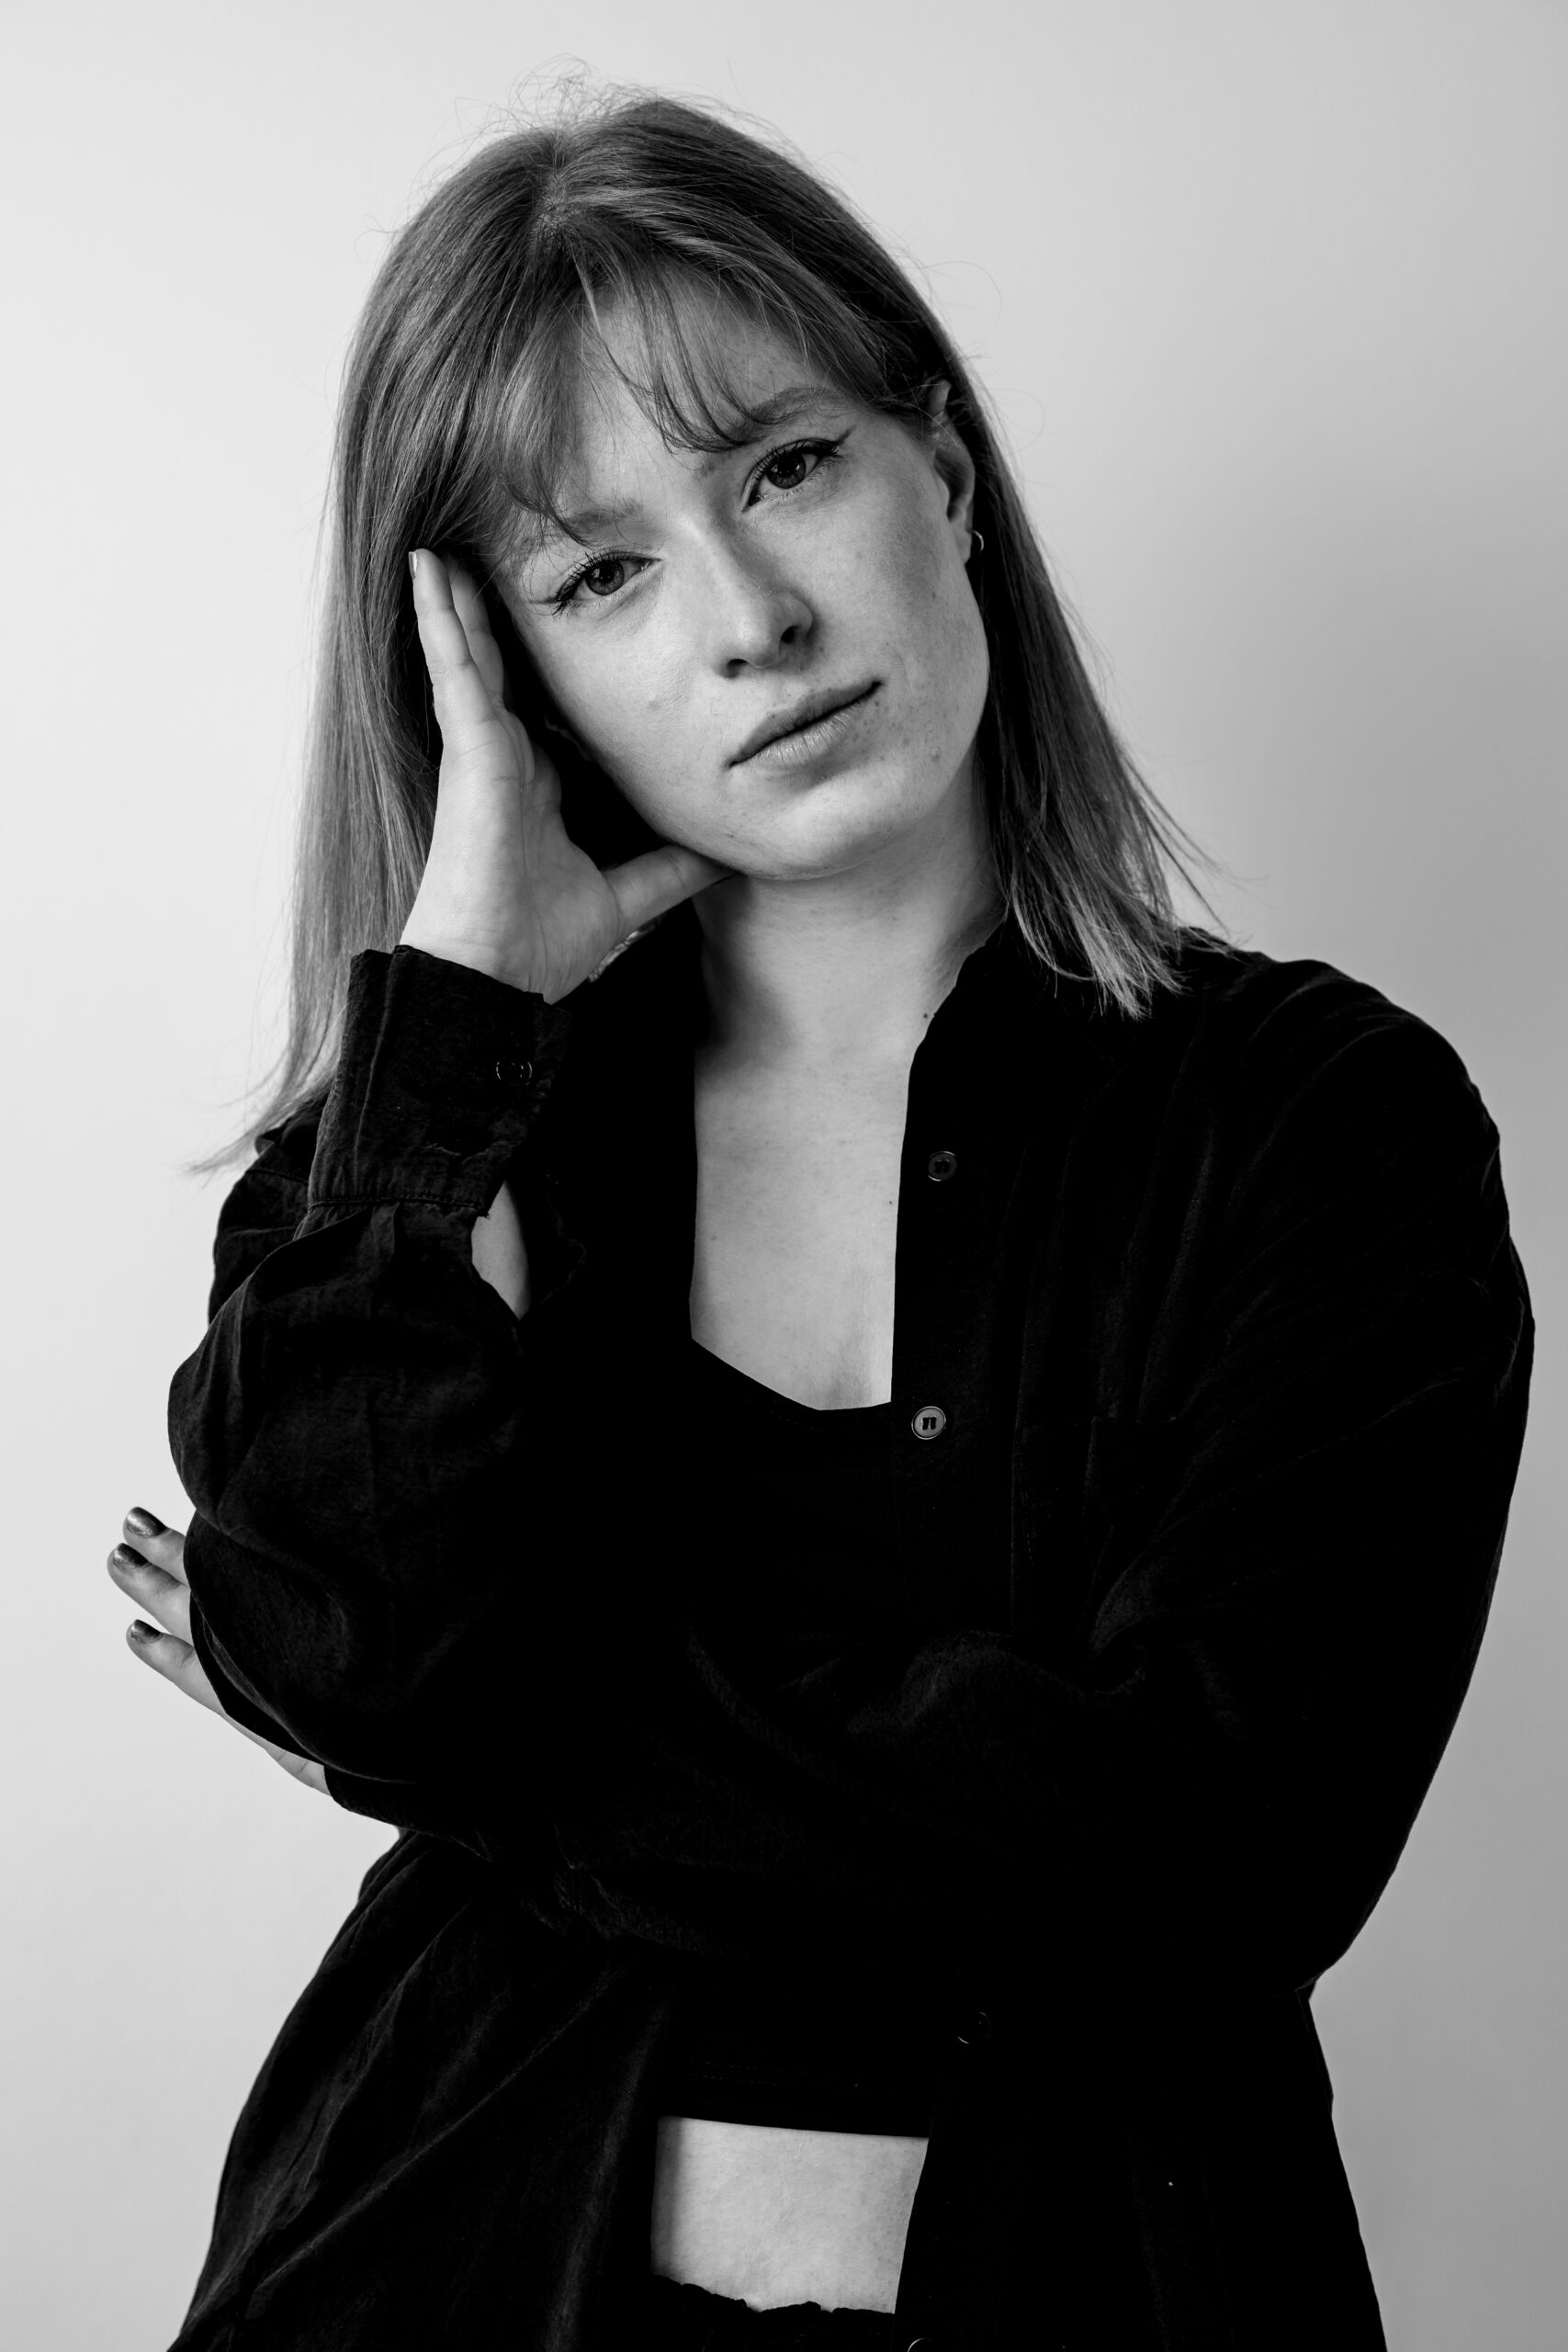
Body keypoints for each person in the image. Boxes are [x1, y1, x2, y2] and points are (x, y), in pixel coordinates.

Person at [106, 88, 1532, 2352]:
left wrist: (475, 1754)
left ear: (938, 475)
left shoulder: (1315, 1124)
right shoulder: (435, 1144)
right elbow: (338, 1615)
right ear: (507, 678)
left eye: (782, 467)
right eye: (600, 575)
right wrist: (454, 1020)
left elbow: (1205, 1867)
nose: (751, 620)